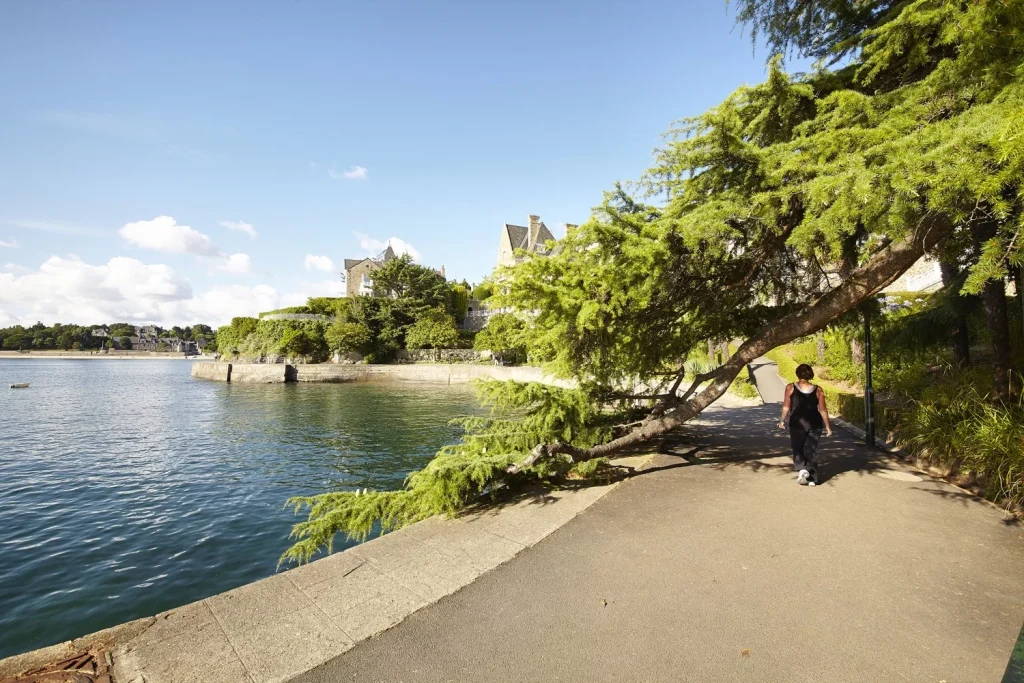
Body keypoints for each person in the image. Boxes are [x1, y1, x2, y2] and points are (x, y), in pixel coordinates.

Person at [778, 363, 832, 486]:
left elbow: (786, 405)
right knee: (810, 449)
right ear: (810, 375)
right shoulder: (818, 390)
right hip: (815, 423)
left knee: (797, 448)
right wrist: (828, 427)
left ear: (798, 374)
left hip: (797, 423)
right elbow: (823, 409)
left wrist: (782, 420)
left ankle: (802, 469)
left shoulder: (790, 387)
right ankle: (812, 479)